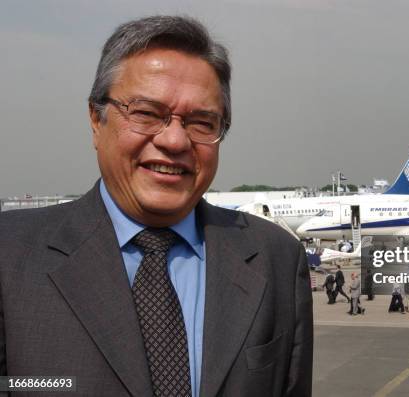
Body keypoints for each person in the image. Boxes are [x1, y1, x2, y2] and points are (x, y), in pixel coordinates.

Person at [0, 16, 312, 397]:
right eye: (146, 113)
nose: (176, 140)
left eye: (201, 122)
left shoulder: (275, 258)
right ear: (95, 120)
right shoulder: (11, 255)